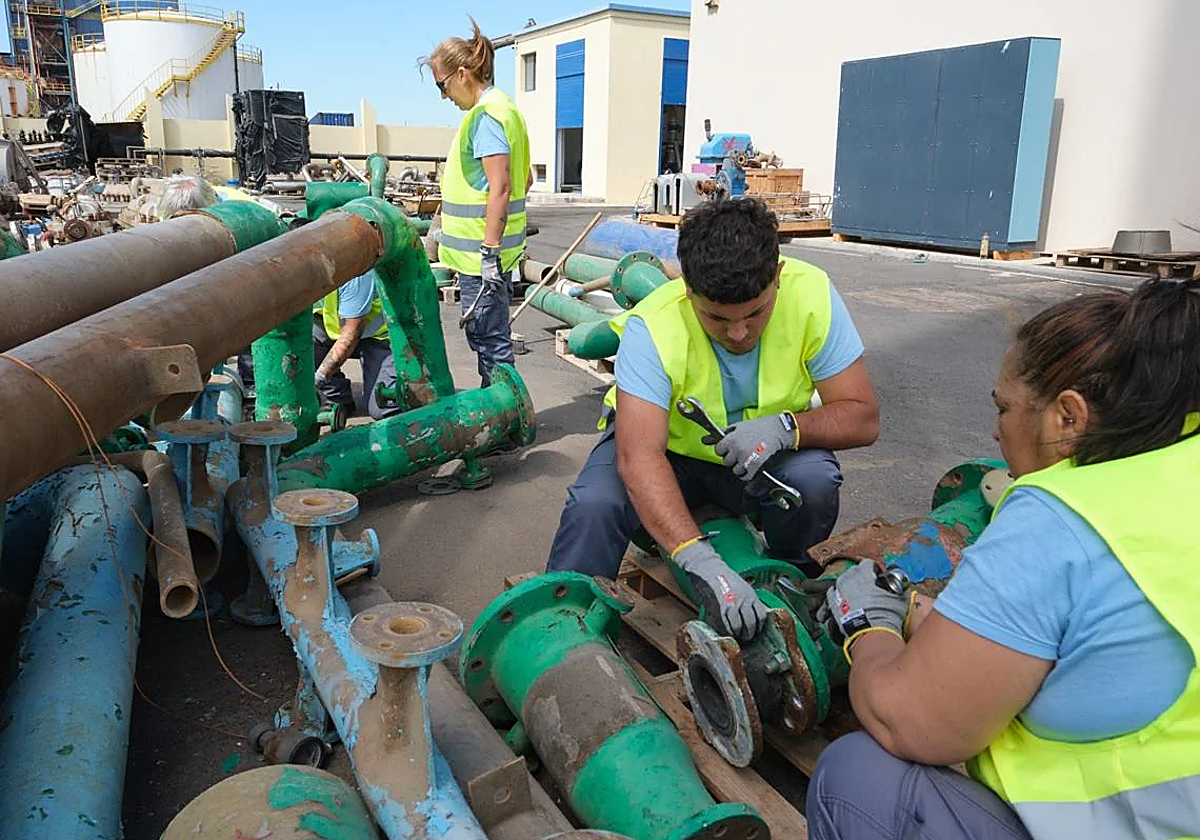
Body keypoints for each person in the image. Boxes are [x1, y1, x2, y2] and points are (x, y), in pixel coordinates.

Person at [811, 277, 1200, 840]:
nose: (995, 431)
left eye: (1004, 409)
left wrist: (867, 628)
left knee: (856, 778)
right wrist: (929, 617)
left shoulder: (1061, 518)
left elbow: (909, 721)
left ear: (1068, 418)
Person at [546, 199, 880, 640]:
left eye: (755, 313)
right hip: (670, 458)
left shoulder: (811, 295)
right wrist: (699, 561)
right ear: (688, 289)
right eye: (717, 318)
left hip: (758, 459)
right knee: (596, 504)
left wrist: (786, 429)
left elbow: (863, 416)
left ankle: (788, 582)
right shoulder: (654, 326)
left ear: (777, 276)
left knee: (813, 480)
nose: (738, 333)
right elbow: (639, 456)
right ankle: (560, 629)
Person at [421, 18, 532, 387]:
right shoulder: (505, 108)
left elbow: (501, 186)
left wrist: (489, 250)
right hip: (493, 255)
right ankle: (500, 407)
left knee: (489, 338)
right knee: (489, 335)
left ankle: (504, 415)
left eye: (442, 85)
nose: (443, 95)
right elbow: (525, 179)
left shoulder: (485, 117)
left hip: (482, 258)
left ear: (463, 73)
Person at [313, 269, 399, 421]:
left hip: (381, 336)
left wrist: (318, 378)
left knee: (383, 407)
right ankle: (336, 397)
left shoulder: (355, 273)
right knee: (303, 339)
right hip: (338, 329)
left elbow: (351, 335)